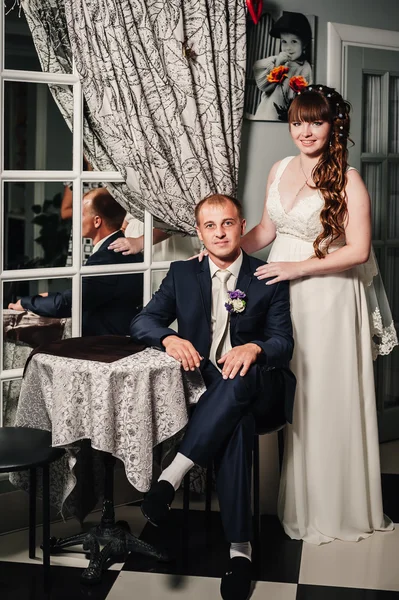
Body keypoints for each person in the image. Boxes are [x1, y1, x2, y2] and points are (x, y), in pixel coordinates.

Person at [235, 84, 397, 544]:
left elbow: (359, 250)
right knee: (284, 386)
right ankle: (280, 497)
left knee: (321, 393)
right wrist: (225, 251)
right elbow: (267, 229)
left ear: (333, 126)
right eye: (297, 122)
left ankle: (332, 505)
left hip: (326, 292)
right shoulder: (279, 168)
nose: (305, 131)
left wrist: (296, 268)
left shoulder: (348, 179)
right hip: (280, 289)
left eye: (316, 121)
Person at [130, 194, 296, 600]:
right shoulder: (183, 275)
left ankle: (170, 477)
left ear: (242, 227)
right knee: (235, 421)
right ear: (200, 232)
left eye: (227, 224)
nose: (219, 232)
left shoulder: (266, 276)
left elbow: (282, 343)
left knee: (239, 379)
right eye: (210, 226)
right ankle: (241, 551)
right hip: (208, 390)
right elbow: (142, 321)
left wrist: (253, 349)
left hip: (261, 387)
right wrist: (169, 337)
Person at [9, 188, 144, 336]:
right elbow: (87, 294)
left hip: (105, 344)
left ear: (97, 221)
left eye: (81, 215)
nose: (75, 220)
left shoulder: (107, 257)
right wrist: (51, 296)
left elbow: (67, 304)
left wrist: (25, 303)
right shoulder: (120, 249)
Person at [253, 12, 313, 121]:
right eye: (284, 42)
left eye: (294, 42)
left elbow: (304, 98)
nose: (288, 48)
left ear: (304, 44)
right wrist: (276, 66)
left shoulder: (306, 68)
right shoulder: (276, 60)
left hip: (288, 119)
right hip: (265, 115)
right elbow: (263, 85)